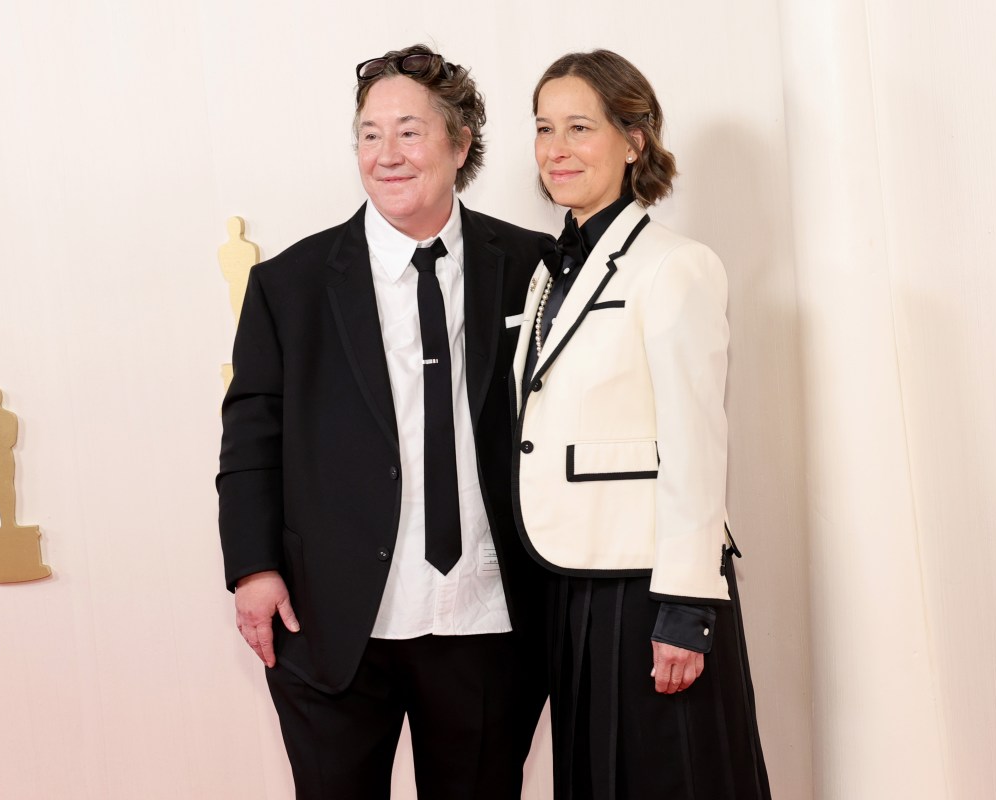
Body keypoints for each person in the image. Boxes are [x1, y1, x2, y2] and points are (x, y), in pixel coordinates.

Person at [217, 44, 552, 800]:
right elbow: (250, 440)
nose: (386, 155)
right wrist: (254, 568)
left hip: (488, 620)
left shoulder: (534, 267)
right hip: (330, 622)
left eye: (409, 131)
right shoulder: (288, 285)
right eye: (370, 134)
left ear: (460, 144)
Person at [511, 50, 772, 799]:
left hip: (647, 583)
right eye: (544, 128)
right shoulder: (545, 274)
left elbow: (697, 440)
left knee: (668, 777)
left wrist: (687, 604)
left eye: (580, 128)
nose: (556, 149)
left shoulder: (676, 266)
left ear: (634, 140)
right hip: (570, 575)